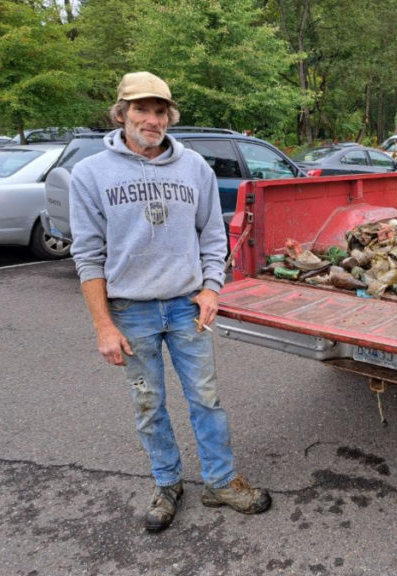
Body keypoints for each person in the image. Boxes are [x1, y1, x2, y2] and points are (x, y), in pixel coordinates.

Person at [69, 71, 271, 532]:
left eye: (161, 111)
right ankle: (167, 484)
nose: (152, 119)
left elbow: (212, 233)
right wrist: (103, 326)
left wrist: (210, 288)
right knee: (149, 405)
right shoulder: (90, 174)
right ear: (121, 114)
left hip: (186, 306)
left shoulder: (195, 167)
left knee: (206, 398)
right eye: (141, 109)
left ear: (169, 117)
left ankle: (220, 482)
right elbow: (88, 255)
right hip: (130, 310)